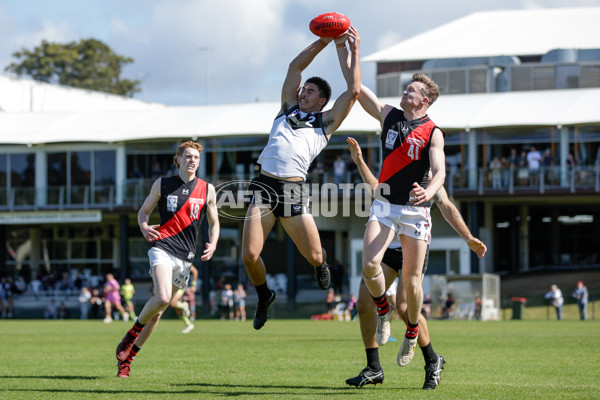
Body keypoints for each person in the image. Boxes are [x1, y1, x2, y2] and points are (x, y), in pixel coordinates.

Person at [241, 27, 361, 330]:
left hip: (292, 190)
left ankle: (321, 266)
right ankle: (264, 294)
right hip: (264, 185)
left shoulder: (326, 123)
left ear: (321, 101)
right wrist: (324, 40)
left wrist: (348, 50)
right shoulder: (285, 109)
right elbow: (294, 67)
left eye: (310, 91)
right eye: (303, 89)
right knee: (249, 255)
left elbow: (354, 91)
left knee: (316, 254)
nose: (303, 92)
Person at [345, 137, 487, 390]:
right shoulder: (396, 170)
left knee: (403, 306)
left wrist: (468, 238)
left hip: (413, 250)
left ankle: (432, 360)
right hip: (387, 249)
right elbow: (377, 189)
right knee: (365, 303)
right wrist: (360, 162)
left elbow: (448, 208)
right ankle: (374, 368)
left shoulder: (429, 180)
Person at [354, 71, 446, 369]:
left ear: (425, 100)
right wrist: (348, 47)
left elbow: (440, 171)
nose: (405, 92)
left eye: (412, 90)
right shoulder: (390, 116)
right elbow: (356, 88)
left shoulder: (433, 132)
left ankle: (411, 333)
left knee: (413, 283)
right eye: (406, 88)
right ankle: (383, 311)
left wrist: (429, 191)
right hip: (385, 205)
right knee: (369, 263)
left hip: (414, 210)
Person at [114, 140, 220, 378]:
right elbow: (143, 212)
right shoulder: (162, 184)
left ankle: (128, 360)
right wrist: (143, 226)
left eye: (196, 158)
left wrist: (213, 243)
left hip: (186, 258)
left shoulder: (207, 189)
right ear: (178, 160)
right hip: (162, 248)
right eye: (188, 157)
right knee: (162, 297)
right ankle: (130, 335)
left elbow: (215, 222)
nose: (193, 161)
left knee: (160, 311)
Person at [169, 265, 198, 333]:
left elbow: (195, 271)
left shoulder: (184, 261)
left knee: (172, 303)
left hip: (180, 286)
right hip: (172, 286)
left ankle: (184, 306)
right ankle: (188, 324)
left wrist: (193, 285)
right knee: (177, 308)